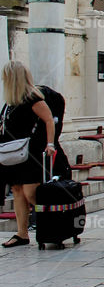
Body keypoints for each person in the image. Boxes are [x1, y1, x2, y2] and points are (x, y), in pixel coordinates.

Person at [0, 62, 61, 248]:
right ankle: (22, 233)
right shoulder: (10, 102)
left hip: (30, 153)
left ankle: (56, 224)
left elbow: (49, 120)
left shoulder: (33, 98)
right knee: (17, 191)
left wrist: (50, 144)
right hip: (13, 153)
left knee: (30, 192)